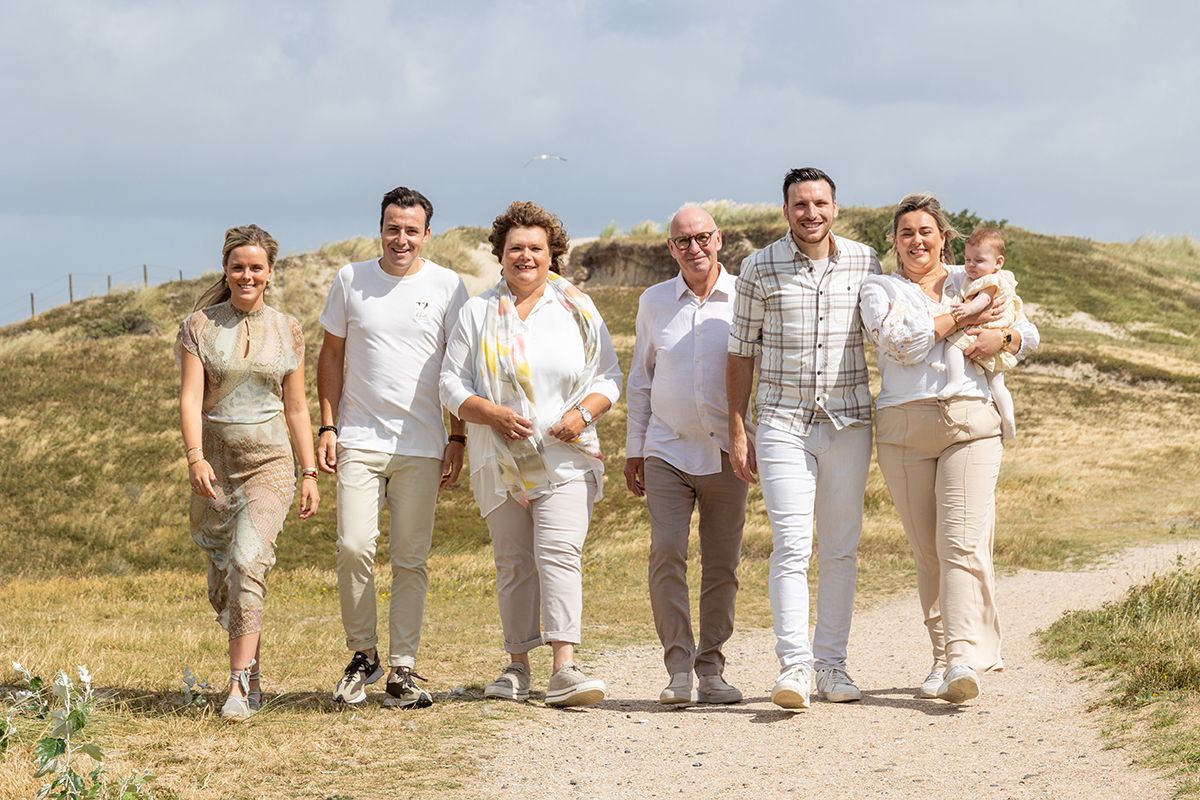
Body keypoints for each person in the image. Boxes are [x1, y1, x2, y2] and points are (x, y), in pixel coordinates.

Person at [440, 201, 622, 708]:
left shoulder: (577, 307)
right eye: (515, 248)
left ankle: (565, 667)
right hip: (496, 459)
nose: (525, 256)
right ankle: (517, 666)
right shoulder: (476, 312)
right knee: (514, 562)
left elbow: (609, 374)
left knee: (558, 553)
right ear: (500, 255)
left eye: (536, 248)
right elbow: (449, 383)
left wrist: (582, 415)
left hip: (566, 458)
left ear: (552, 254)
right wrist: (491, 414)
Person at [858, 193, 1039, 704]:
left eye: (926, 232)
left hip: (970, 422)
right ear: (894, 241)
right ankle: (941, 657)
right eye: (907, 233)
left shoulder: (975, 279)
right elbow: (901, 344)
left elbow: (1027, 333)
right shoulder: (879, 288)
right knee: (927, 549)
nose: (917, 240)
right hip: (903, 428)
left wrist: (1000, 341)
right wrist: (962, 322)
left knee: (958, 542)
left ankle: (961, 657)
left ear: (944, 238)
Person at [727, 167, 881, 710]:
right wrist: (737, 425)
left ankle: (832, 668)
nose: (810, 213)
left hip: (849, 424)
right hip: (781, 424)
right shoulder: (757, 267)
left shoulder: (866, 261)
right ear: (786, 210)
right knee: (791, 546)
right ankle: (793, 668)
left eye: (819, 203)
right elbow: (741, 351)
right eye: (800, 205)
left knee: (840, 549)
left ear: (835, 208)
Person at [318, 187, 468, 708]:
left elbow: (458, 370)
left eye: (411, 229)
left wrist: (457, 435)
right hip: (358, 438)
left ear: (427, 233)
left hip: (424, 443)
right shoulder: (350, 280)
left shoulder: (450, 286)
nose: (400, 238)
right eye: (392, 227)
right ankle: (363, 655)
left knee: (411, 558)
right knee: (353, 547)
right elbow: (331, 357)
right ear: (379, 228)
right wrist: (327, 427)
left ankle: (402, 669)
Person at [177, 224, 320, 722]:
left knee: (248, 558)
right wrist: (195, 457)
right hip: (215, 467)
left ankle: (237, 685)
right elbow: (191, 398)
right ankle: (252, 669)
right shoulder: (199, 326)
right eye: (238, 266)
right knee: (225, 578)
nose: (247, 275)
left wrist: (308, 473)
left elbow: (298, 407)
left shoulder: (289, 330)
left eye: (256, 267)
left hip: (271, 464)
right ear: (226, 269)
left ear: (270, 273)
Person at [625, 205, 747, 706]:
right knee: (666, 552)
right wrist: (634, 448)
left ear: (719, 239)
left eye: (702, 238)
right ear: (670, 248)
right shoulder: (654, 301)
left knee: (722, 563)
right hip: (666, 449)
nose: (694, 248)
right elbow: (640, 378)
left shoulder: (744, 296)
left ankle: (712, 669)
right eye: (682, 241)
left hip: (726, 451)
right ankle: (678, 668)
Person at [939, 227, 1026, 440]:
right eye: (967, 259)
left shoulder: (991, 280)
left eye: (978, 261)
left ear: (998, 262)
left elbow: (984, 300)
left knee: (952, 345)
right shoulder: (981, 276)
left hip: (987, 330)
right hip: (989, 331)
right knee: (997, 383)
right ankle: (1008, 420)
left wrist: (967, 310)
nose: (970, 265)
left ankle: (955, 380)